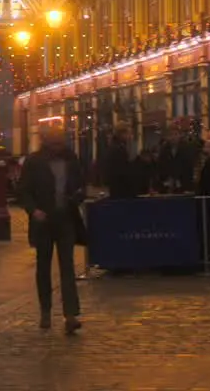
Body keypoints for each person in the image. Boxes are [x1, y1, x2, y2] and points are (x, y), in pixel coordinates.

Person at [17, 126, 87, 334]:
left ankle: (70, 314)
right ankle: (45, 311)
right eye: (55, 142)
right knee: (43, 267)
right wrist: (33, 210)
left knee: (67, 267)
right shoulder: (34, 161)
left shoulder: (70, 160)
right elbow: (23, 190)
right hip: (43, 221)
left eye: (61, 142)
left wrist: (77, 196)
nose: (59, 146)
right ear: (46, 142)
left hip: (65, 219)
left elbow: (81, 185)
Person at [103, 122, 136, 198]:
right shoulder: (118, 149)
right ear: (122, 134)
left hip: (116, 187)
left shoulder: (115, 146)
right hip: (121, 188)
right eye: (128, 133)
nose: (129, 136)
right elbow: (122, 170)